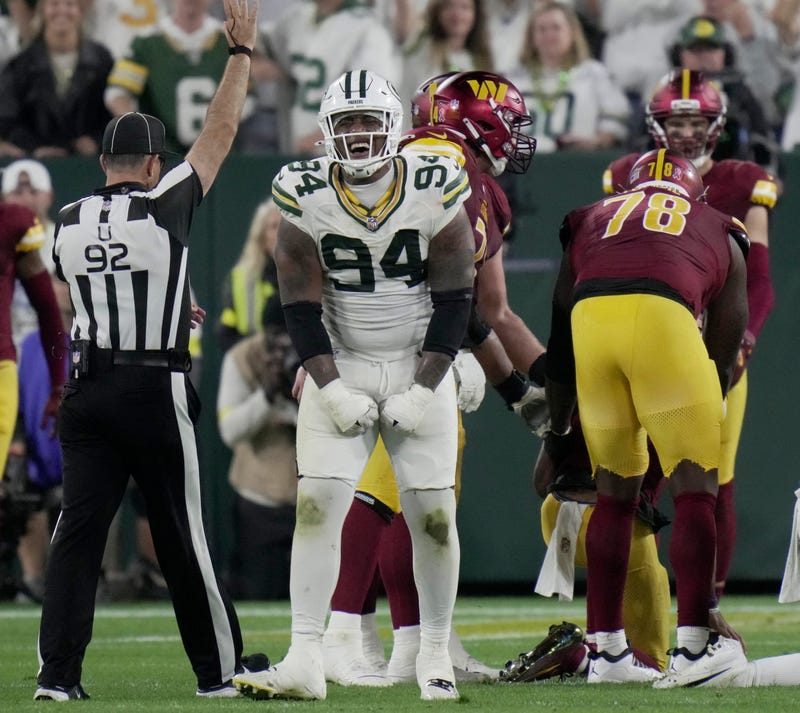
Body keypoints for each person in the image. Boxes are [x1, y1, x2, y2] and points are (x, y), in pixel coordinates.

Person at [34, 0, 267, 701]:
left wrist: (166, 302)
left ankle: (58, 676)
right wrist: (241, 56)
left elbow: (85, 294)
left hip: (87, 388)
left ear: (104, 161)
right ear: (153, 161)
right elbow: (221, 133)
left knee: (75, 539)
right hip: (152, 388)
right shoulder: (164, 200)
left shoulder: (68, 220)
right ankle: (217, 672)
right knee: (183, 535)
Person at [233, 68, 475, 702]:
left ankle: (433, 655)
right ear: (328, 129)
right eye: (348, 123)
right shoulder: (304, 191)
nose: (360, 134)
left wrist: (427, 384)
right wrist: (329, 383)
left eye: (371, 121)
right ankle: (306, 656)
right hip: (338, 357)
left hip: (418, 355)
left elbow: (456, 298)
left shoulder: (433, 182)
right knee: (314, 511)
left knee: (434, 519)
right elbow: (297, 304)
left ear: (393, 127)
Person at [319, 69, 547, 688]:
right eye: (509, 120)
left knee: (407, 486)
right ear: (476, 121)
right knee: (401, 488)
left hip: (369, 332)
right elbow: (453, 295)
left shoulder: (413, 156)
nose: (516, 135)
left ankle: (399, 639)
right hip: (399, 341)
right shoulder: (449, 170)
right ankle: (352, 633)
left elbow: (489, 305)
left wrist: (524, 387)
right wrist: (513, 389)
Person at [546, 147, 750, 686]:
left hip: (590, 324)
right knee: (695, 490)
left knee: (614, 496)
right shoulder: (717, 223)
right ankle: (692, 648)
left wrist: (556, 429)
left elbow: (560, 329)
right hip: (664, 319)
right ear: (694, 192)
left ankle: (607, 653)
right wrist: (713, 395)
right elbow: (726, 343)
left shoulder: (591, 218)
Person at [603, 69, 778, 601]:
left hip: (712, 340)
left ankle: (705, 604)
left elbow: (761, 275)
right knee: (633, 471)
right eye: (674, 121)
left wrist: (743, 339)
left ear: (715, 125)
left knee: (712, 475)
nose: (683, 132)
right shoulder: (623, 173)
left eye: (693, 120)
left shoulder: (742, 178)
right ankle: (641, 594)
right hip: (649, 333)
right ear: (656, 124)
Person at [217, 318, 299, 600]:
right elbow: (230, 431)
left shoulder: (324, 353)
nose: (283, 352)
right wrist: (266, 395)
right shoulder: (243, 357)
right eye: (276, 342)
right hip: (261, 498)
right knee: (262, 593)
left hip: (319, 495)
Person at [104, 0, 250, 154]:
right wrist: (141, 133)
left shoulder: (228, 39)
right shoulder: (147, 42)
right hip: (162, 154)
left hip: (219, 154)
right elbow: (117, 94)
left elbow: (247, 97)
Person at [265, 0, 401, 155]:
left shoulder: (368, 27)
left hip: (345, 153)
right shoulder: (296, 17)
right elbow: (268, 50)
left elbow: (377, 96)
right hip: (297, 142)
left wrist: (321, 137)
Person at [507, 1, 630, 153]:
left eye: (556, 28)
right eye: (541, 29)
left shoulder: (595, 75)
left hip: (578, 163)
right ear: (531, 36)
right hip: (522, 166)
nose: (549, 35)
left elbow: (615, 122)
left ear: (572, 33)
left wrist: (596, 142)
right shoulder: (514, 80)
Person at [0, 0, 113, 158]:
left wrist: (96, 140)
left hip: (91, 162)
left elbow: (112, 110)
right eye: (54, 4)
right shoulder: (20, 64)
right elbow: (8, 118)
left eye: (69, 4)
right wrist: (34, 148)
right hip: (38, 163)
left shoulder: (102, 60)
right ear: (43, 11)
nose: (62, 10)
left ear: (80, 11)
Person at [667, 15, 779, 172]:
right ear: (679, 55)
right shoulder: (664, 91)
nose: (704, 56)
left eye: (710, 48)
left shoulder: (741, 94)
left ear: (725, 53)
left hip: (733, 178)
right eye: (696, 50)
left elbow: (763, 141)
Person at [399, 0, 493, 121]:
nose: (457, 14)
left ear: (476, 14)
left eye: (465, 7)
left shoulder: (480, 63)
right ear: (438, 11)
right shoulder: (420, 47)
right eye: (449, 6)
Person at [216, 198, 283, 353]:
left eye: (285, 227)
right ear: (261, 235)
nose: (280, 233)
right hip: (256, 362)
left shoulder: (308, 274)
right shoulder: (241, 278)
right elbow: (225, 333)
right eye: (274, 227)